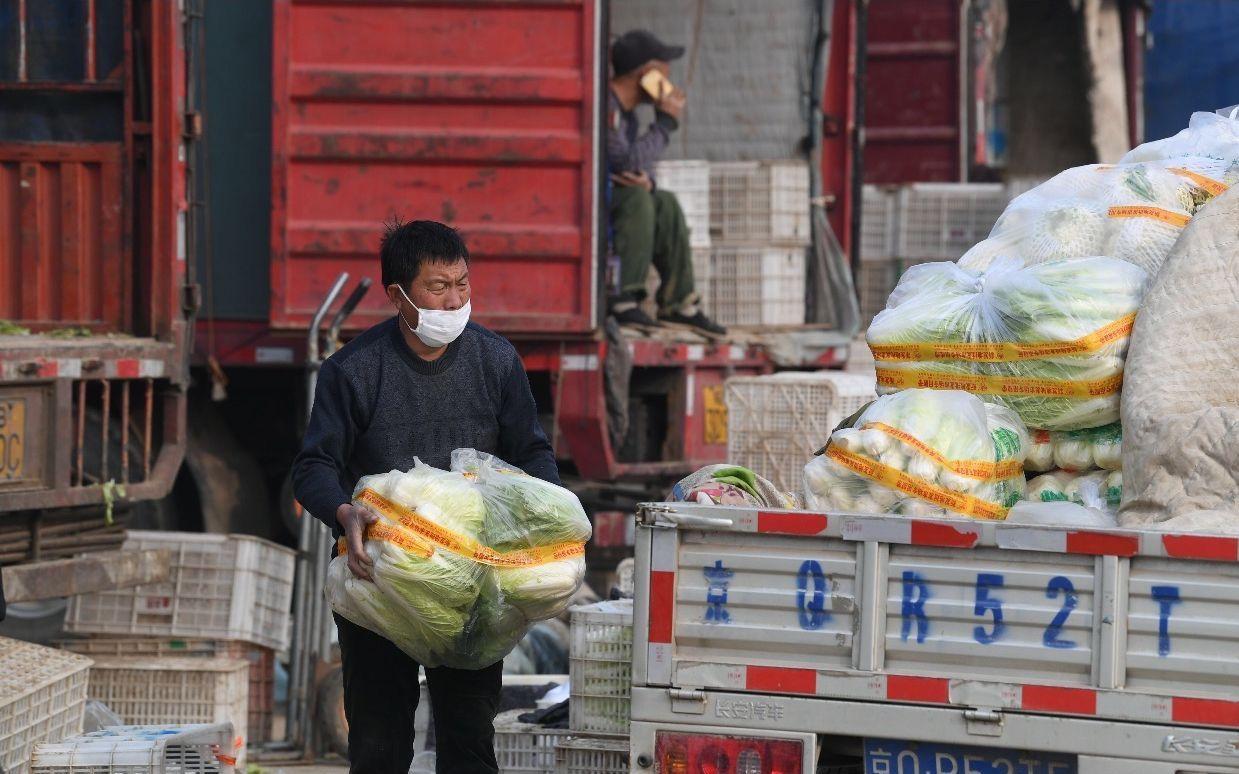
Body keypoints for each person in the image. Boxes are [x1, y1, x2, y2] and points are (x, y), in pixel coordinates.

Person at [292, 220, 558, 774]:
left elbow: (531, 454)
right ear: (398, 295)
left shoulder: (496, 360)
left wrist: (548, 517)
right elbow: (314, 466)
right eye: (438, 287)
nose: (455, 299)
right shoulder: (354, 370)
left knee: (469, 743)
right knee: (379, 747)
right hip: (381, 583)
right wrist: (344, 512)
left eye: (462, 284)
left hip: (471, 586)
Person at [607, 29, 726, 335]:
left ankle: (679, 303)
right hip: (601, 206)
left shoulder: (630, 116)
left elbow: (638, 164)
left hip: (619, 200)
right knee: (637, 199)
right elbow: (622, 161)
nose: (669, 76)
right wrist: (665, 123)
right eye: (664, 67)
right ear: (646, 73)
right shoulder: (608, 108)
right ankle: (623, 298)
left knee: (665, 201)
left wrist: (648, 180)